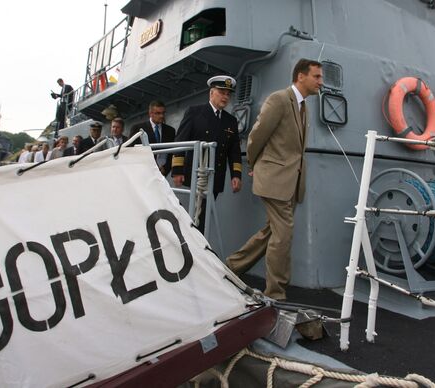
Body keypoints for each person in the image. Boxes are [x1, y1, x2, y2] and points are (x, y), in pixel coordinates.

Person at [226, 59, 324, 300]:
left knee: (272, 231)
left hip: (289, 181)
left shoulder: (304, 107)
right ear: (301, 77)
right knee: (284, 234)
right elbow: (256, 136)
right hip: (274, 179)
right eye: (317, 77)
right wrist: (255, 164)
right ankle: (276, 293)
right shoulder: (279, 99)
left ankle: (230, 267)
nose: (321, 82)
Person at [172, 75, 242, 231]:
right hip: (195, 176)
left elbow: (234, 150)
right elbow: (181, 141)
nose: (225, 97)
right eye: (222, 92)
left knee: (203, 218)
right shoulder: (195, 112)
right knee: (192, 217)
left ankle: (198, 249)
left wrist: (236, 175)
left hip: (216, 177)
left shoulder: (230, 121)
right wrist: (177, 170)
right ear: (212, 93)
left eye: (228, 94)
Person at [130, 100, 176, 175]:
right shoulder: (137, 128)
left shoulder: (170, 131)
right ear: (150, 113)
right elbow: (130, 151)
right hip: (143, 172)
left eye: (163, 113)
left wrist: (165, 169)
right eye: (158, 113)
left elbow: (172, 153)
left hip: (162, 172)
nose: (161, 116)